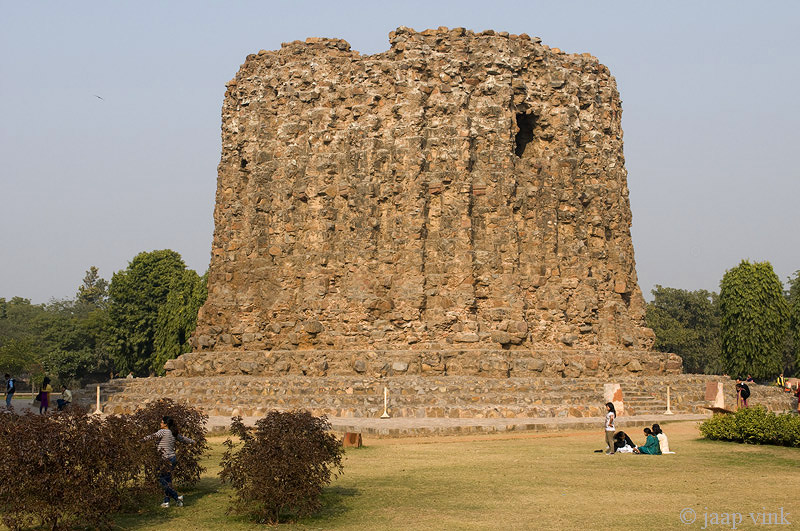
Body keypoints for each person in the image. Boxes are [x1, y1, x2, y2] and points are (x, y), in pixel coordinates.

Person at [144, 416, 195, 508]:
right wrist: (193, 441)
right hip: (172, 458)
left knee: (160, 479)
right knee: (168, 481)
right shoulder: (173, 433)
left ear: (165, 424)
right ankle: (166, 502)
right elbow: (183, 439)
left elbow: (151, 437)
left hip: (164, 459)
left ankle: (176, 497)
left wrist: (139, 440)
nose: (160, 424)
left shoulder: (163, 432)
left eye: (161, 422)